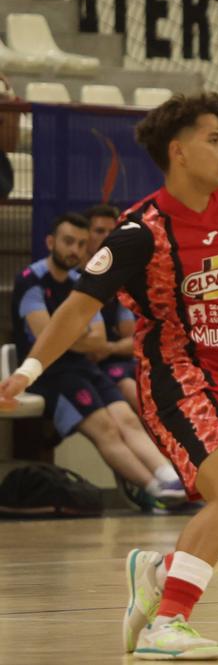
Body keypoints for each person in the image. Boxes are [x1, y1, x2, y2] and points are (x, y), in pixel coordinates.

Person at [0, 92, 218, 659]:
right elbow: (76, 308)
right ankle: (166, 624)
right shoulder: (138, 231)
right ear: (179, 151)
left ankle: (160, 573)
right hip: (176, 379)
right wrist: (27, 369)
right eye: (213, 138)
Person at [9, 213, 185, 509]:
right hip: (51, 374)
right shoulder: (31, 280)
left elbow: (99, 340)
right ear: (50, 242)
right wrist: (75, 336)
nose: (74, 250)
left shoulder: (80, 281)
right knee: (105, 427)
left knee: (127, 418)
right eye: (68, 242)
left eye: (80, 243)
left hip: (84, 367)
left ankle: (171, 477)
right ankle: (154, 490)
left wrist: (69, 335)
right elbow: (47, 340)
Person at [82, 203, 140, 412]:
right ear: (85, 235)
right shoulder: (72, 279)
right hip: (85, 366)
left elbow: (132, 340)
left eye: (111, 231)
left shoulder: (119, 280)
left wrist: (110, 348)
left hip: (116, 360)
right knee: (129, 389)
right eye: (99, 231)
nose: (107, 237)